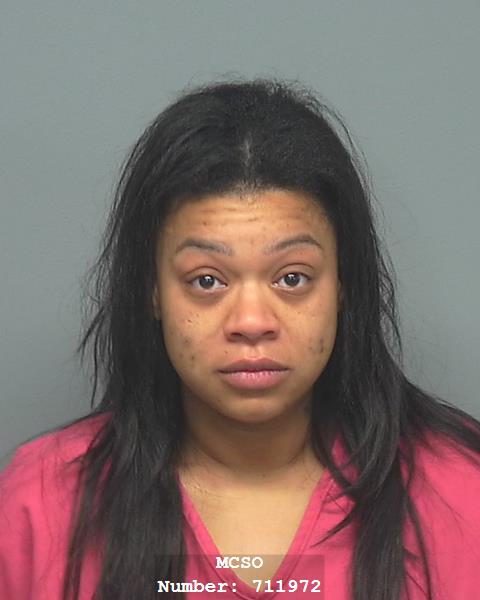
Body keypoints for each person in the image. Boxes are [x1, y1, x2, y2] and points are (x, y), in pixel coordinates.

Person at [1, 78, 479, 600]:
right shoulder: (41, 504)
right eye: (207, 281)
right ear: (153, 292)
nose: (252, 322)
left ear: (343, 285)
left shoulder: (462, 491)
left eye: (292, 277)